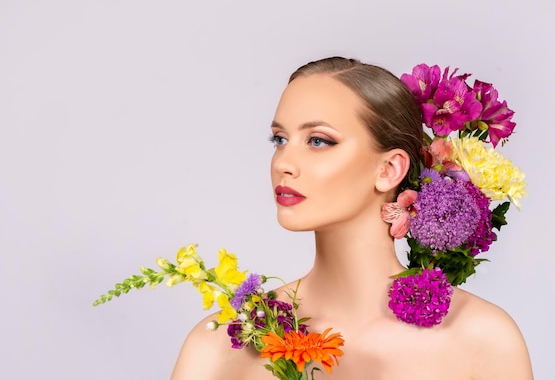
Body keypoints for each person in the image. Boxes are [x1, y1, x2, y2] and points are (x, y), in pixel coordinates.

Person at [170, 57, 534, 379]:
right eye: (279, 139)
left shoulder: (483, 339)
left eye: (318, 141)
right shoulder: (224, 343)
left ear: (390, 169)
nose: (283, 163)